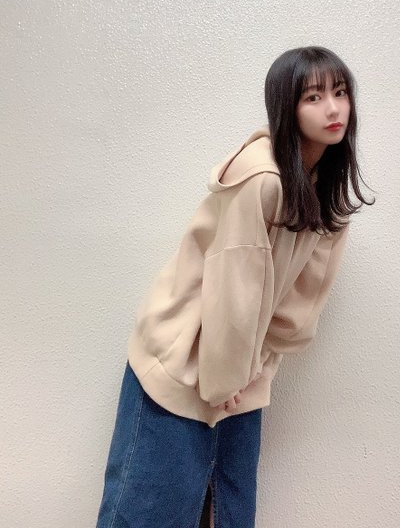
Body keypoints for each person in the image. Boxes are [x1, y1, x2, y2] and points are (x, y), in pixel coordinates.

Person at [96, 46, 374, 528]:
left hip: (240, 368)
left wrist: (251, 369)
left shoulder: (326, 189)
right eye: (313, 97)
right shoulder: (261, 179)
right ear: (286, 107)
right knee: (148, 511)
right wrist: (227, 378)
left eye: (340, 92)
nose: (333, 109)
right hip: (183, 360)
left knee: (227, 510)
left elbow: (303, 299)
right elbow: (233, 289)